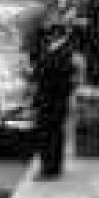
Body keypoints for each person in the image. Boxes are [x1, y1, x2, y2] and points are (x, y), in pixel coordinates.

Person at [31, 19, 78, 179]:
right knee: (51, 134)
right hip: (48, 99)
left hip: (53, 101)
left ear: (56, 34)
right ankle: (52, 166)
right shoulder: (53, 49)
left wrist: (36, 72)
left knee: (49, 135)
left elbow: (59, 76)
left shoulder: (64, 52)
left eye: (51, 34)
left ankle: (49, 168)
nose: (48, 37)